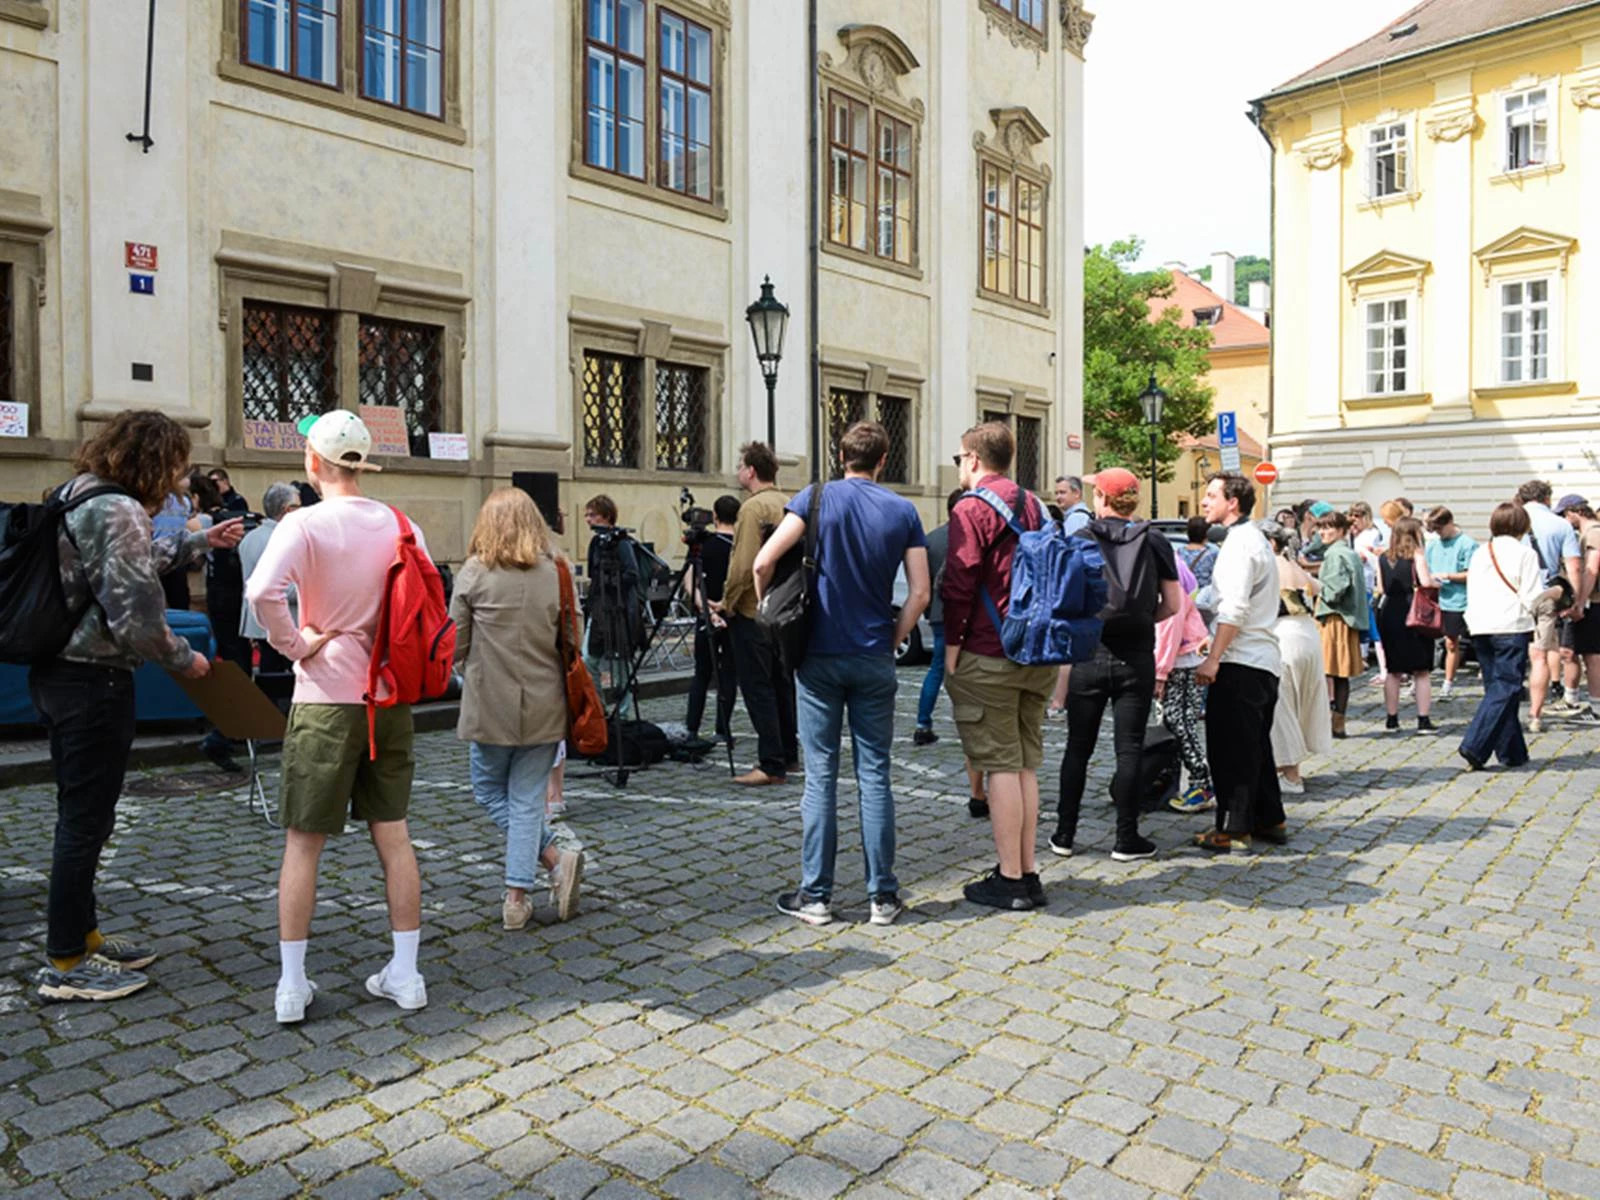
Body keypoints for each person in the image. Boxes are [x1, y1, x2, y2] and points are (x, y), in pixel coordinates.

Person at [32, 411, 244, 1002]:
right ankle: (67, 962)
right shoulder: (119, 509)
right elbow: (137, 618)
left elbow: (123, 568)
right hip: (92, 681)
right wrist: (186, 660)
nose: (182, 478)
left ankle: (84, 935)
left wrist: (200, 540)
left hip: (59, 673)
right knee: (83, 821)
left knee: (89, 816)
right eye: (177, 463)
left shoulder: (80, 494)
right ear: (152, 457)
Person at [246, 410, 430, 1024]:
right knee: (394, 835)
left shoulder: (302, 525)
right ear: (363, 464)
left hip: (324, 696)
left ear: (313, 463)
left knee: (303, 842)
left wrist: (297, 643)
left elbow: (260, 593)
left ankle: (293, 983)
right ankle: (405, 973)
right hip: (387, 695)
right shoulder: (401, 523)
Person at [755, 422, 929, 926]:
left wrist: (769, 609)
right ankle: (882, 897)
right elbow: (920, 592)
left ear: (840, 455)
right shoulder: (902, 510)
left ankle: (816, 897)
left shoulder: (815, 498)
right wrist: (894, 638)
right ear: (883, 459)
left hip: (819, 656)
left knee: (821, 777)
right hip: (873, 654)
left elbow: (765, 560)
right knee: (875, 775)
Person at [450, 489, 584, 931]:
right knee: (529, 800)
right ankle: (520, 892)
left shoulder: (474, 573)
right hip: (547, 701)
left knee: (489, 789)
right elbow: (572, 639)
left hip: (490, 703)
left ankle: (539, 873)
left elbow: (456, 645)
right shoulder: (557, 571)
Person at [943, 421, 1057, 909]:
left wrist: (952, 648)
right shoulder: (1036, 505)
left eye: (958, 460)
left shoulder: (971, 508)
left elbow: (960, 582)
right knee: (1027, 763)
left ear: (972, 459)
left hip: (992, 651)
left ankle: (1010, 878)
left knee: (1000, 767)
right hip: (1039, 651)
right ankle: (1028, 869)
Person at [1050, 468, 1181, 862]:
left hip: (1088, 656)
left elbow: (1064, 602)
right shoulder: (1155, 540)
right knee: (1129, 749)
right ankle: (1126, 838)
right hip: (1136, 656)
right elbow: (1173, 604)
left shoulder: (1080, 538)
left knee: (1078, 748)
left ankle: (1064, 834)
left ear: (1103, 499)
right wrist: (1143, 619)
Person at [1193, 473, 1283, 854]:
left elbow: (1235, 608)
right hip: (1259, 658)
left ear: (1233, 502)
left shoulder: (1238, 545)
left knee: (1231, 748)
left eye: (1212, 495)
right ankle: (1270, 817)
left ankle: (1234, 828)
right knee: (1256, 746)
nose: (1203, 502)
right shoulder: (1252, 539)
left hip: (1242, 660)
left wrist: (1214, 657)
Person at [1459, 504, 1560, 770]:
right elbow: (1531, 596)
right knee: (1507, 687)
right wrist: (1555, 593)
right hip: (1510, 624)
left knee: (1498, 688)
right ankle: (1475, 745)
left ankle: (1512, 752)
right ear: (1522, 526)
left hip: (1481, 624)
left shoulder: (1481, 551)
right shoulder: (1525, 553)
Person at [718, 442, 796, 785]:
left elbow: (743, 567)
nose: (738, 471)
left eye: (740, 465)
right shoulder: (789, 502)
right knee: (782, 686)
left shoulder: (752, 509)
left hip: (753, 611)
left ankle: (771, 763)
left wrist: (726, 602)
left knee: (757, 687)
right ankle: (787, 754)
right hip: (785, 609)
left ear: (751, 471)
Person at [1263, 521, 1332, 792]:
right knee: (1300, 703)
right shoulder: (1296, 567)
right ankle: (1290, 768)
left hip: (1284, 638)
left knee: (1282, 706)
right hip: (1308, 635)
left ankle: (1291, 775)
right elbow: (1318, 588)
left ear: (1271, 543)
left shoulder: (1270, 566)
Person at [1516, 481, 1580, 732]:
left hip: (1515, 592)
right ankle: (1535, 715)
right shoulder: (1560, 524)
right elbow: (1573, 566)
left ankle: (1505, 709)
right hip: (1546, 593)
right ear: (1546, 498)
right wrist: (1575, 599)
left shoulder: (1512, 519)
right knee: (1539, 655)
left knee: (1511, 652)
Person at [1158, 558, 1214, 814]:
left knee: (1178, 721)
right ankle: (1195, 780)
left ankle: (1201, 781)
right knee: (1184, 721)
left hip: (1184, 659)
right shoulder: (1177, 586)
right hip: (1190, 656)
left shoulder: (1172, 591)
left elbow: (1169, 633)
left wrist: (1160, 673)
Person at [1374, 516, 1440, 733]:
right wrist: (1437, 583)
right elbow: (1425, 582)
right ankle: (1423, 719)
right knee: (1421, 670)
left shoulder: (1383, 557)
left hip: (1389, 612)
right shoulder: (1417, 556)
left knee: (1393, 670)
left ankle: (1391, 719)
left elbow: (1382, 588)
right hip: (1413, 612)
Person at [684, 495, 740, 743]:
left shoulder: (704, 544)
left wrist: (703, 605)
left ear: (715, 516)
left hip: (707, 615)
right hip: (733, 615)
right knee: (728, 673)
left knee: (701, 673)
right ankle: (722, 729)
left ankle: (692, 728)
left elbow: (689, 579)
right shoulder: (740, 546)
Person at [581, 495, 642, 716]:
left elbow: (632, 574)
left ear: (606, 516)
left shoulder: (622, 542)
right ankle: (599, 709)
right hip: (598, 608)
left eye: (592, 515)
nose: (588, 520)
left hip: (619, 608)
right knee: (588, 659)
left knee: (621, 666)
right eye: (587, 515)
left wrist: (612, 583)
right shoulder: (596, 542)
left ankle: (623, 713)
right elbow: (592, 574)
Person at [913, 490, 965, 746]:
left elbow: (922, 580)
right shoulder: (971, 537)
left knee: (937, 668)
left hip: (938, 612)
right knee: (964, 670)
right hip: (964, 614)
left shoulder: (931, 539)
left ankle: (923, 722)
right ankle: (967, 724)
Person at [1313, 511, 1368, 739]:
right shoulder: (1348, 552)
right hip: (1346, 619)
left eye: (1329, 529)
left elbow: (1334, 591)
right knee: (1340, 674)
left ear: (1341, 531)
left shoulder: (1336, 554)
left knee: (1328, 671)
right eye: (1321, 528)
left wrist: (1313, 586)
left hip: (1335, 618)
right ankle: (1338, 722)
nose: (1323, 533)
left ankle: (1329, 721)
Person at [239, 482, 302, 676]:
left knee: (268, 677)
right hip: (281, 621)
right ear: (288, 510)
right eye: (299, 507)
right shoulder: (282, 539)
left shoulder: (250, 537)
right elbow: (284, 589)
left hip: (258, 621)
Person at [1046, 476, 1092, 717]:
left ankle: (1058, 702)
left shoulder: (1076, 520)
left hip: (1072, 591)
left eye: (1063, 492)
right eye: (1057, 492)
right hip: (1079, 591)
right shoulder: (1079, 518)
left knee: (1065, 648)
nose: (1058, 497)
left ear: (1077, 494)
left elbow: (1070, 559)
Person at [1424, 506, 1477, 700]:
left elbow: (1472, 574)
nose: (1438, 534)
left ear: (1450, 523)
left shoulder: (1467, 544)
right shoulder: (1433, 546)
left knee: (1451, 642)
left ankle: (1448, 682)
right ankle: (1421, 679)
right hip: (1435, 600)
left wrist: (1447, 576)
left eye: (1439, 529)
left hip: (1457, 600)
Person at [1558, 495, 1600, 724]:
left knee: (1592, 656)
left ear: (1575, 511)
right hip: (1590, 601)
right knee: (1572, 651)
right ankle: (1571, 699)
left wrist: (1580, 602)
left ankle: (1597, 709)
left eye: (1565, 514)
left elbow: (1591, 569)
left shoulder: (1593, 533)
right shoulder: (1588, 533)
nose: (1565, 520)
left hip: (1593, 602)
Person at [1350, 502, 1389, 682]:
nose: (1354, 520)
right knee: (1363, 627)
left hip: (1367, 584)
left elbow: (1367, 558)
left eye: (1358, 516)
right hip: (1360, 584)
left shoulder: (1370, 535)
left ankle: (1383, 668)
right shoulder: (1357, 535)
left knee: (1373, 628)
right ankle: (1362, 659)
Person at [1178, 516, 1218, 592]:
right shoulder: (1212, 553)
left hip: (1184, 598)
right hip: (1204, 599)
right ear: (1207, 534)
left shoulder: (1179, 552)